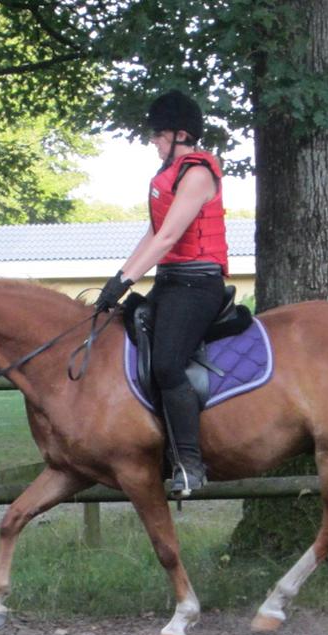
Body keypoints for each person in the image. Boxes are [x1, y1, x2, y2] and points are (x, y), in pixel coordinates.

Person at [94, 89, 229, 499]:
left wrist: (127, 280)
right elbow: (154, 233)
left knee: (168, 363)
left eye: (158, 135)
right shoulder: (167, 178)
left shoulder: (198, 173)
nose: (153, 142)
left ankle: (189, 463)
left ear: (180, 135)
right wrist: (115, 281)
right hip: (170, 282)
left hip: (199, 283)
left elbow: (170, 235)